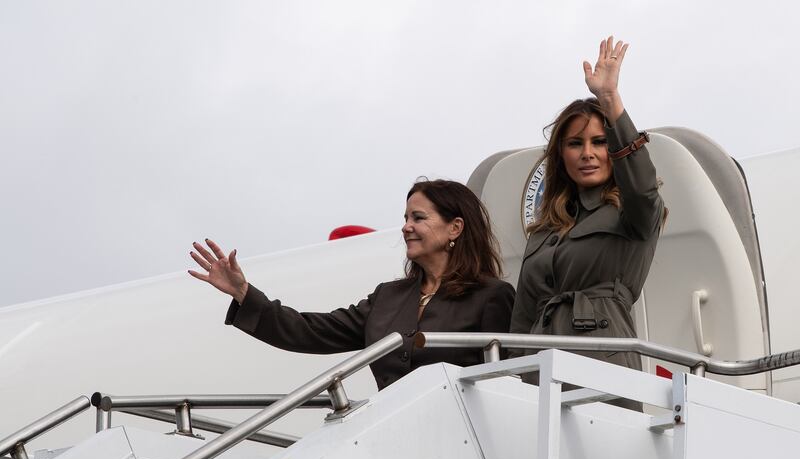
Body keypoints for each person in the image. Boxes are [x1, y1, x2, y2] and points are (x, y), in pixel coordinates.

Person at [189, 179, 515, 392]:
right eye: (405, 218)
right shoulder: (388, 297)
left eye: (418, 218)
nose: (406, 227)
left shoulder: (492, 297)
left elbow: (508, 386)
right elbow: (311, 330)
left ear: (455, 227)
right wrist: (244, 293)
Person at [510, 37, 666, 411]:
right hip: (540, 376)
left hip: (603, 366)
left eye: (599, 142)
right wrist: (510, 385)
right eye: (575, 143)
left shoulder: (633, 213)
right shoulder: (545, 231)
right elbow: (521, 322)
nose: (588, 153)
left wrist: (611, 101)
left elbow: (643, 190)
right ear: (561, 154)